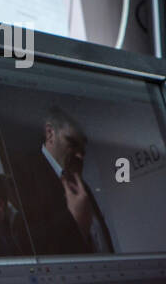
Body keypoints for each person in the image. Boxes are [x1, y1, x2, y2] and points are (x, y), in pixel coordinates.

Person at [10, 105, 114, 256]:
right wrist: (74, 221)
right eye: (72, 143)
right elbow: (27, 246)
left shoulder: (78, 180)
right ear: (50, 133)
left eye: (83, 146)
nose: (80, 155)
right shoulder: (21, 173)